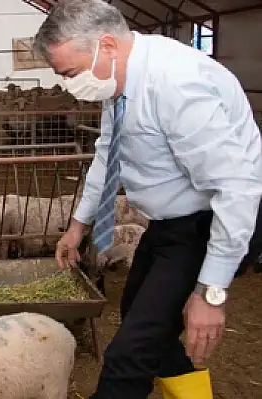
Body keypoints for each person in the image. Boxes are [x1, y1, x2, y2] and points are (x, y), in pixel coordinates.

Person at [33, 1, 262, 398]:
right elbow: (109, 152)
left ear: (106, 46)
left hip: (214, 220)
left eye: (70, 73)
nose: (69, 85)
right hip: (172, 222)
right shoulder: (118, 80)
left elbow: (237, 188)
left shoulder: (177, 84)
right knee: (143, 322)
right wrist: (78, 226)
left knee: (130, 354)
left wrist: (211, 294)